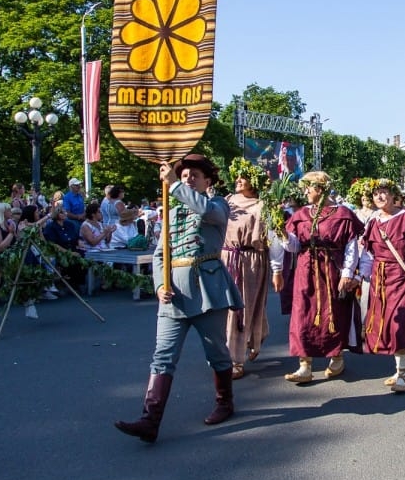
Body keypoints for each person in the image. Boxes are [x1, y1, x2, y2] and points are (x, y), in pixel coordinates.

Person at [115, 155, 243, 443]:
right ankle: (150, 419)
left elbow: (211, 213)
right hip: (174, 294)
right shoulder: (172, 214)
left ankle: (225, 402)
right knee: (162, 356)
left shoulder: (218, 205)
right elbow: (161, 255)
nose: (188, 179)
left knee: (217, 353)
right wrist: (160, 285)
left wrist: (173, 185)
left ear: (208, 181)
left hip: (208, 290)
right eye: (184, 175)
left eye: (195, 175)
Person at [278, 171, 365, 383]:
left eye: (308, 187)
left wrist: (347, 273)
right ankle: (304, 365)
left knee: (333, 312)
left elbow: (351, 247)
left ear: (320, 189)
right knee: (302, 314)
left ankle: (336, 356)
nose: (305, 191)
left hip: (331, 269)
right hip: (306, 270)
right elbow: (294, 245)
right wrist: (281, 233)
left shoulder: (342, 213)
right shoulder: (301, 214)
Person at [358, 179, 405, 392]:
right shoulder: (373, 220)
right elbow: (368, 253)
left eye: (383, 192)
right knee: (385, 322)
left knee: (398, 322)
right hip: (380, 276)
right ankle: (400, 368)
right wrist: (360, 277)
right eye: (376, 193)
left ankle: (403, 372)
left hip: (404, 273)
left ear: (392, 194)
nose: (379, 197)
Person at [221, 160, 272, 380]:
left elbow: (272, 239)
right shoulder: (227, 201)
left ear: (254, 181)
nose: (238, 180)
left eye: (244, 177)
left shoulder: (262, 205)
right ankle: (240, 345)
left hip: (251, 260)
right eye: (237, 177)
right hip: (225, 257)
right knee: (224, 309)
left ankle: (235, 359)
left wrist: (277, 269)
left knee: (242, 309)